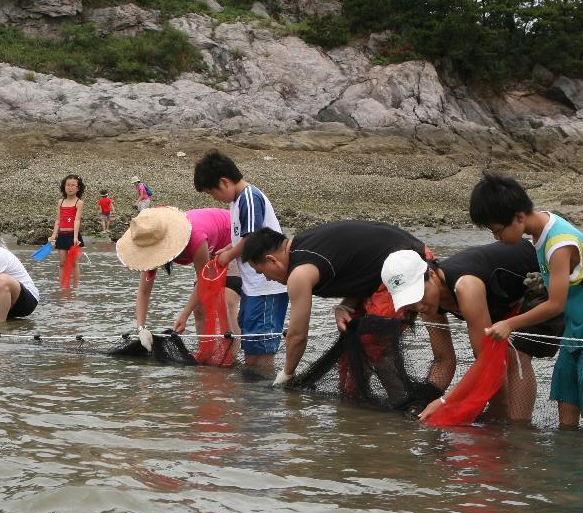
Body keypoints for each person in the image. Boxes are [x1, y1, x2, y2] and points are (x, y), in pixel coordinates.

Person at [470, 171, 583, 431]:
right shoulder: (540, 232)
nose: (496, 238)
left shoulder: (559, 243)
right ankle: (567, 441)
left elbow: (555, 305)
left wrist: (509, 324)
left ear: (519, 217)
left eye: (497, 230)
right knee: (565, 381)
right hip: (579, 318)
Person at [239, 220, 448, 389]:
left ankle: (404, 409)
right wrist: (346, 305)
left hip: (409, 267)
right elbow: (361, 264)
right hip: (385, 271)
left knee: (373, 344)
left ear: (271, 260)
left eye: (261, 271)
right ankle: (357, 415)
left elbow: (297, 336)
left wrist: (286, 375)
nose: (266, 278)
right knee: (350, 359)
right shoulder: (304, 245)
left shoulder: (299, 273)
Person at [397, 241, 544, 423]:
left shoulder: (466, 286)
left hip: (541, 276)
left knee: (515, 354)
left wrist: (444, 401)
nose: (418, 305)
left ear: (432, 275)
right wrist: (425, 400)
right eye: (410, 301)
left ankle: (521, 431)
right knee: (488, 353)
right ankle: (500, 411)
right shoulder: (427, 306)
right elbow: (445, 359)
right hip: (503, 301)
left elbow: (488, 360)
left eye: (419, 294)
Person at [193, 150, 285, 372]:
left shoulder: (249, 197)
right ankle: (252, 397)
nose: (214, 198)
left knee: (261, 349)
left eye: (211, 192)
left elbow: (252, 237)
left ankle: (260, 398)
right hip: (253, 289)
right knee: (251, 346)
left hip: (266, 287)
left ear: (224, 182)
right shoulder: (236, 202)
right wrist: (228, 248)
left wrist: (229, 255)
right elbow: (243, 238)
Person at [115, 206, 241, 347]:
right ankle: (206, 352)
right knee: (199, 309)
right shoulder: (150, 242)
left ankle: (231, 357)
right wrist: (141, 328)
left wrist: (184, 315)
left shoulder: (194, 237)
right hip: (209, 247)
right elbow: (144, 291)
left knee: (227, 302)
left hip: (232, 241)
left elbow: (204, 280)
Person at [48, 174, 85, 289]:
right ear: (64, 186)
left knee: (73, 263)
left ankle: (75, 288)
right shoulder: (61, 202)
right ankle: (63, 287)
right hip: (62, 236)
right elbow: (58, 220)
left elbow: (77, 220)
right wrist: (54, 235)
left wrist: (75, 237)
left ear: (78, 188)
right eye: (68, 185)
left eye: (73, 185)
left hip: (73, 235)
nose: (70, 187)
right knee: (62, 263)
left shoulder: (79, 202)